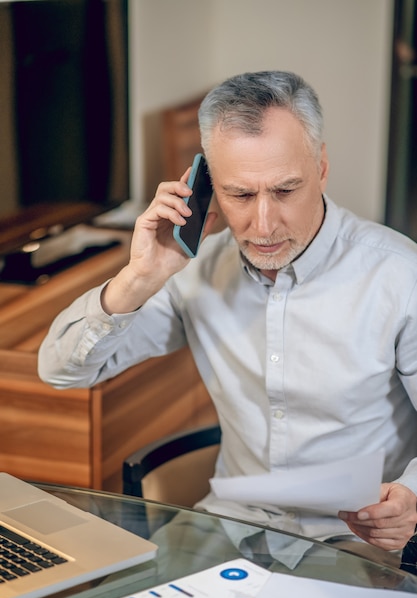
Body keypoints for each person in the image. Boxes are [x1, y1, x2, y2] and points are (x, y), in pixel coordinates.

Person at [38, 70, 417, 570]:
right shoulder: (193, 272)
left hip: (352, 539)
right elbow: (61, 370)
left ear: (321, 166)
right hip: (230, 528)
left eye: (285, 191)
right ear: (207, 185)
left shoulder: (398, 275)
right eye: (239, 194)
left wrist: (409, 496)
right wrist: (139, 277)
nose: (262, 226)